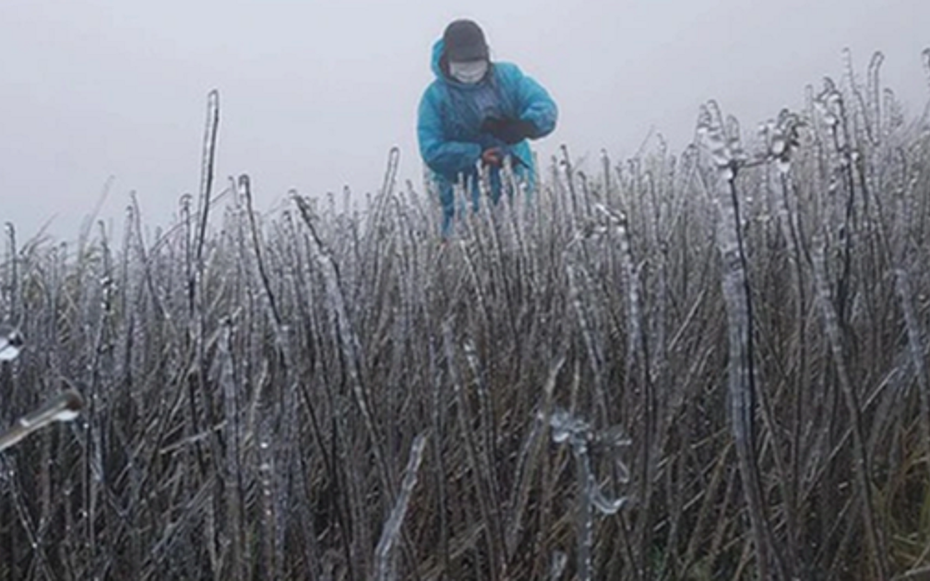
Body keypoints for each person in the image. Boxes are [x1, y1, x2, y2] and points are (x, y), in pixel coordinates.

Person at [416, 19, 558, 236]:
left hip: (518, 187)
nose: (470, 72)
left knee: (527, 254)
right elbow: (431, 151)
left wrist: (525, 126)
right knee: (468, 260)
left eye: (476, 63)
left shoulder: (508, 78)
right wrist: (476, 155)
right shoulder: (435, 98)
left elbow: (545, 107)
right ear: (447, 61)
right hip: (461, 200)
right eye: (462, 65)